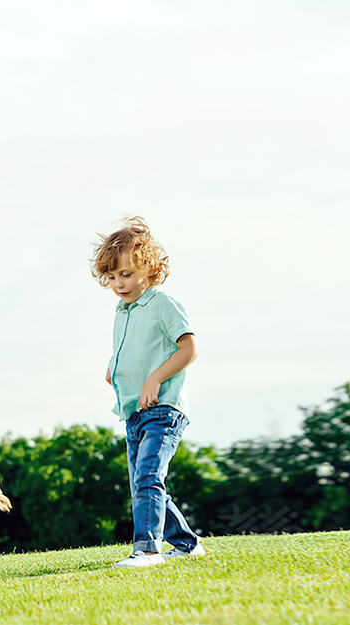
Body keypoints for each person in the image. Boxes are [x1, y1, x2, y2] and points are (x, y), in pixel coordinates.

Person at [92, 217, 207, 568]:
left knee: (147, 478)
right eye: (111, 277)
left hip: (164, 409)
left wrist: (155, 378)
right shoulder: (122, 311)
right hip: (133, 412)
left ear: (149, 268)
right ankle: (187, 544)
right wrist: (115, 364)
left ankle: (147, 550)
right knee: (145, 482)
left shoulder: (163, 304)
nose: (118, 283)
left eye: (126, 274)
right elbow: (134, 345)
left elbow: (188, 348)